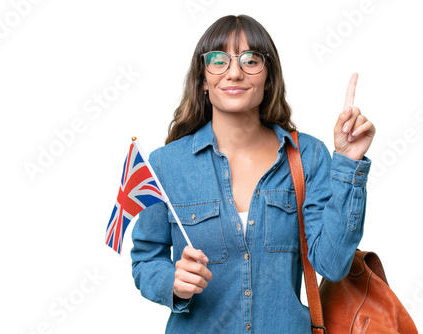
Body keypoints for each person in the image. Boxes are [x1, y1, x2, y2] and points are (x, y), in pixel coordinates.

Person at [130, 14, 375, 333]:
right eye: (218, 60)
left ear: (268, 77)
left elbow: (333, 263)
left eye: (250, 60)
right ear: (203, 79)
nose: (234, 72)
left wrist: (347, 163)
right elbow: (146, 259)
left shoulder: (308, 156)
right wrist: (172, 282)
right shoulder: (164, 164)